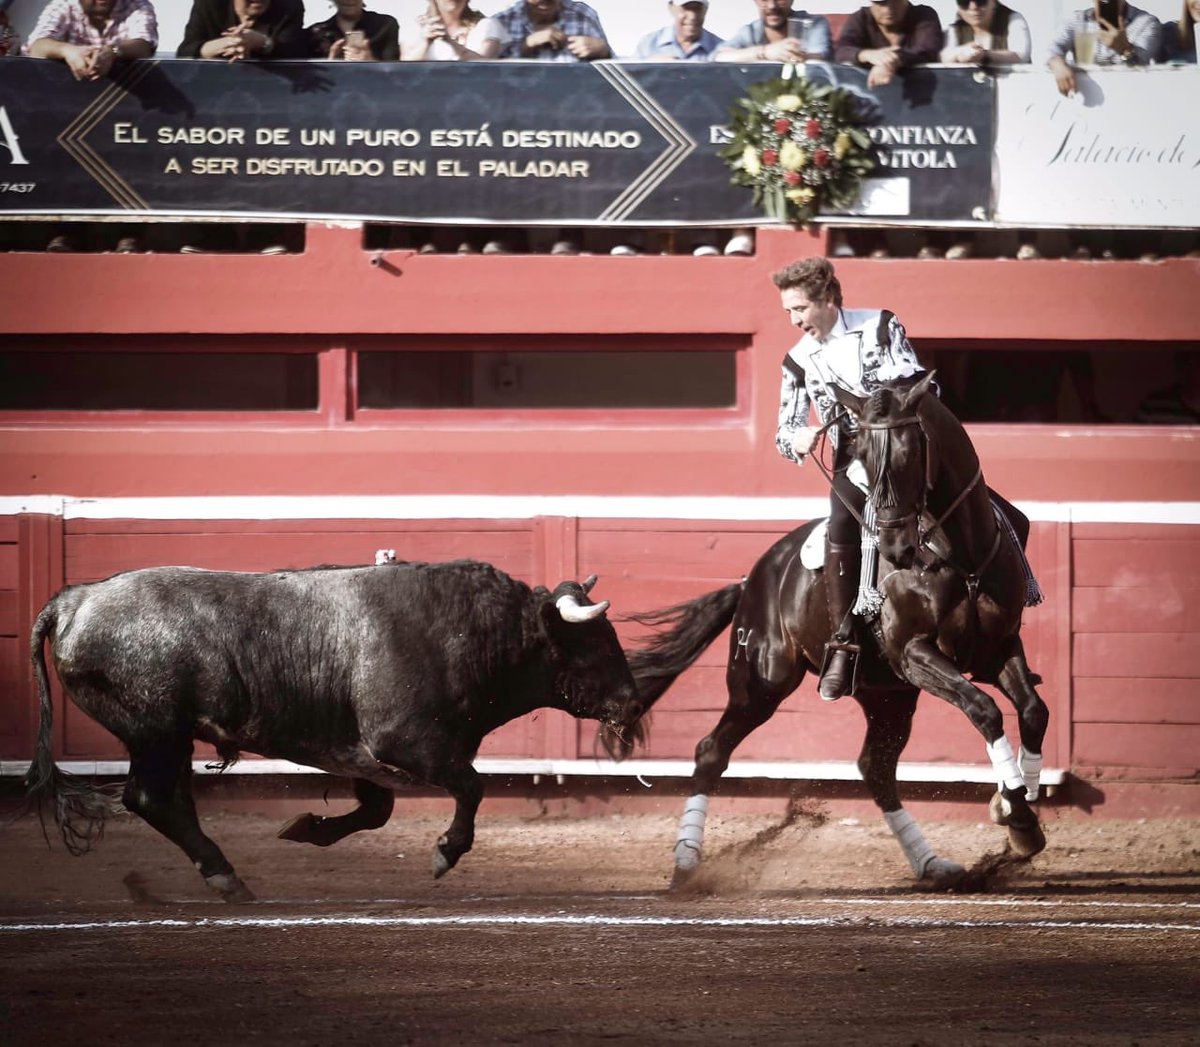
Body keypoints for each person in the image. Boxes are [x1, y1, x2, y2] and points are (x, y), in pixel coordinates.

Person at [773, 258, 925, 701]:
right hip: (853, 459)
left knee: (997, 510)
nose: (795, 320)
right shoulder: (797, 360)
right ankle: (842, 643)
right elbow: (784, 431)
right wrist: (796, 439)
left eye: (799, 309)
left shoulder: (879, 325)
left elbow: (914, 381)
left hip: (902, 448)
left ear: (826, 299)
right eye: (788, 313)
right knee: (840, 522)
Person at [1046, 1, 1163, 97]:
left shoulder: (1147, 23)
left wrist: (1125, 50)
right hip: (1089, 101)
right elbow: (1052, 48)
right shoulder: (1078, 20)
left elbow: (1144, 74)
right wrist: (1057, 63)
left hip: (1128, 101)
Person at [25, 0, 158, 79]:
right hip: (61, 96)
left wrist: (112, 52)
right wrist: (68, 51)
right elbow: (38, 46)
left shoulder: (136, 5)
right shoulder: (63, 5)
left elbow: (143, 45)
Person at [834, 0, 942, 89]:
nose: (888, 9)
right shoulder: (860, 18)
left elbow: (928, 50)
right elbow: (842, 50)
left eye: (895, 1)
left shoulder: (924, 15)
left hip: (921, 94)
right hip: (871, 98)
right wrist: (867, 55)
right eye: (881, 3)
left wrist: (890, 61)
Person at [177, 0, 308, 61]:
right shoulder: (209, 4)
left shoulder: (289, 5)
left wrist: (262, 43)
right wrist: (229, 43)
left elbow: (294, 54)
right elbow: (185, 51)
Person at [714, 0, 832, 64]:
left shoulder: (813, 25)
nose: (772, 6)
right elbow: (717, 57)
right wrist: (765, 52)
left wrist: (794, 54)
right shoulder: (750, 32)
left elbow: (817, 61)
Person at [493, 0, 609, 62]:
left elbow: (614, 74)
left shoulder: (584, 15)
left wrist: (603, 50)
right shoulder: (502, 21)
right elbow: (486, 77)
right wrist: (525, 47)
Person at [401, 0, 507, 61]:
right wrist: (424, 41)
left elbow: (485, 65)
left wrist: (450, 42)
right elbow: (403, 69)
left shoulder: (487, 26)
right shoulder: (415, 26)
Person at [940, 0, 1032, 65]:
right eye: (964, 2)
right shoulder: (955, 29)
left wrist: (985, 55)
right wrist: (962, 53)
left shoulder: (1013, 19)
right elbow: (943, 56)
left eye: (980, 1)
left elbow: (1021, 56)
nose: (973, 7)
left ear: (994, 2)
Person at [634, 0, 722, 61]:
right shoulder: (648, 44)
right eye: (686, 8)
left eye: (697, 9)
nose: (692, 16)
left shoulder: (720, 49)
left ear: (705, 10)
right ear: (671, 8)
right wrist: (652, 67)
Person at [309, 0, 398, 60]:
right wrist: (331, 64)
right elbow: (308, 78)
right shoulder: (315, 33)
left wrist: (370, 62)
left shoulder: (385, 25)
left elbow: (395, 74)